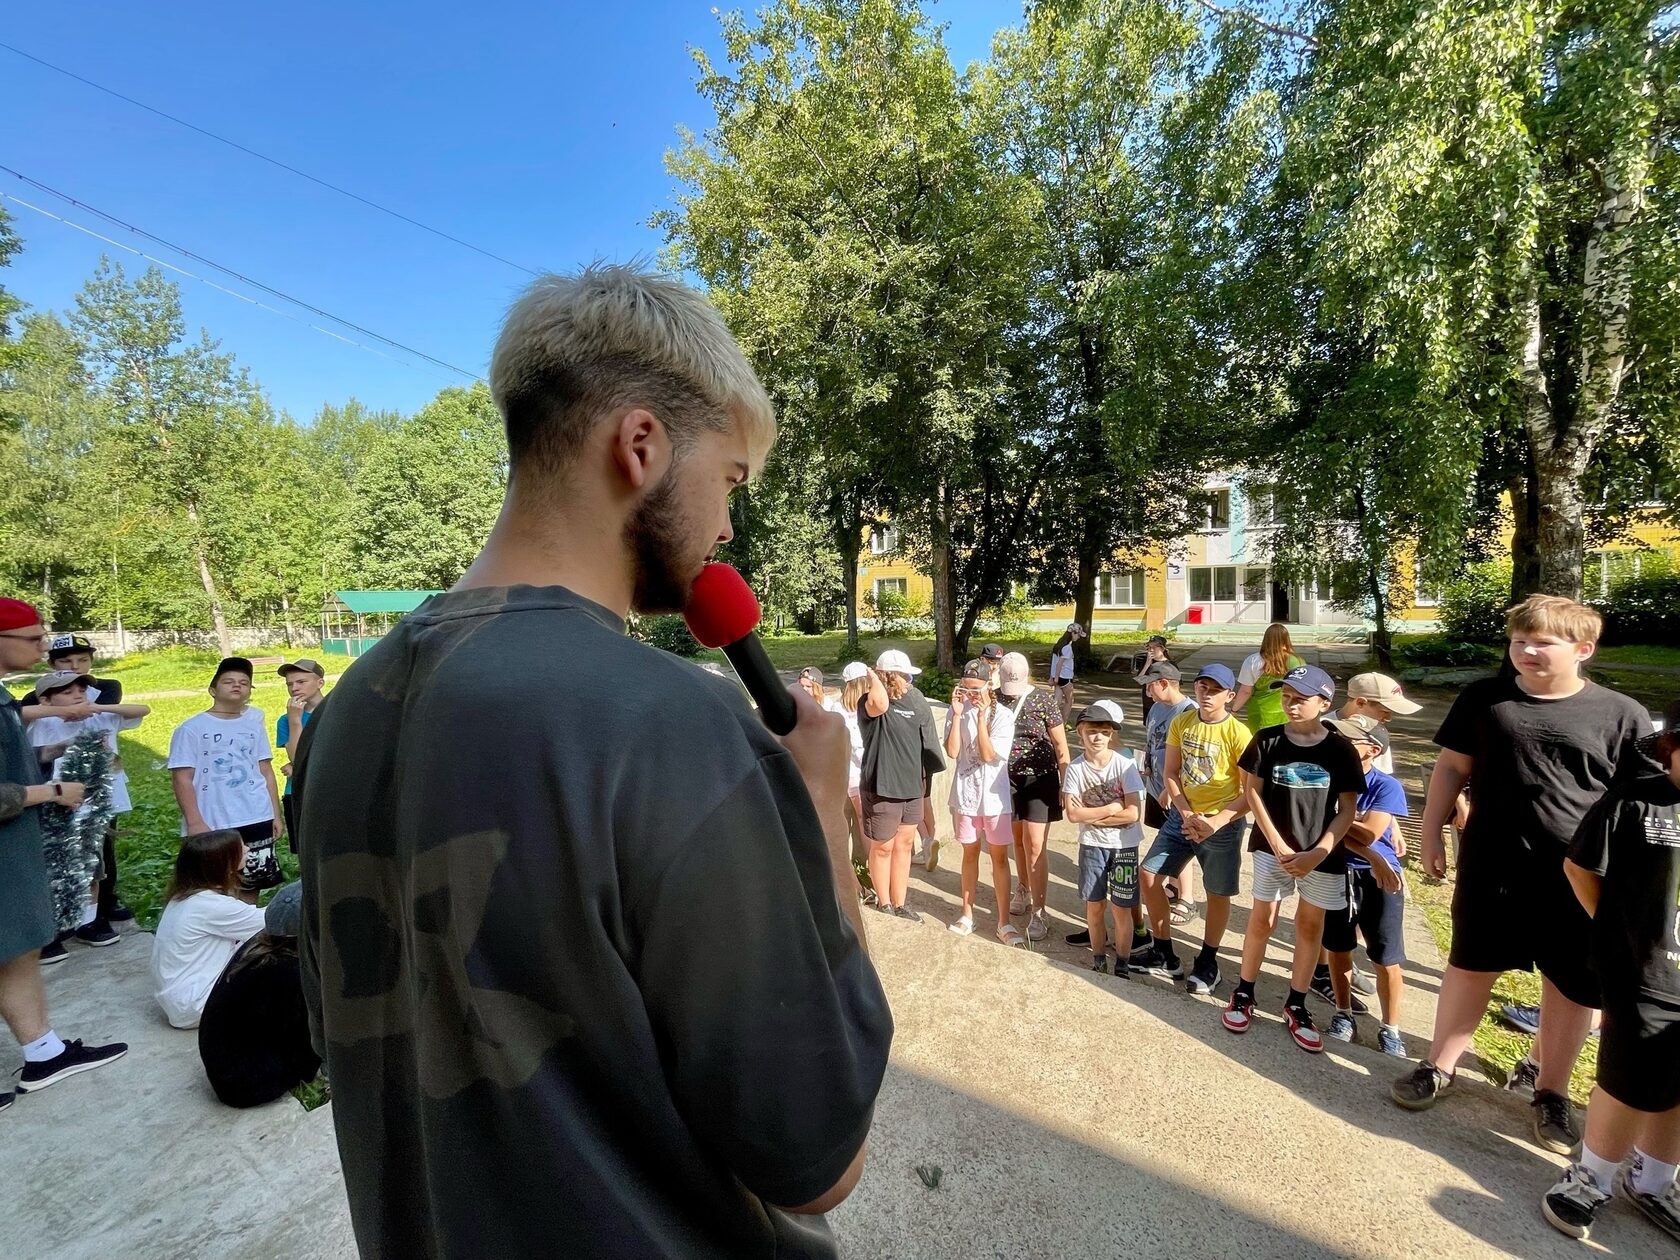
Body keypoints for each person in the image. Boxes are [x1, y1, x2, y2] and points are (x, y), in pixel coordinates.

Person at [294, 264, 891, 1258]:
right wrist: (822, 812)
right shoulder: (676, 730)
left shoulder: (342, 717)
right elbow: (820, 1158)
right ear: (642, 446)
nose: (728, 527)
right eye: (730, 480)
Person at [1392, 595, 1650, 1156]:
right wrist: (1431, 831)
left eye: (1543, 643)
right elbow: (1452, 768)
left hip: (1581, 879)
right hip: (1491, 865)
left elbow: (1641, 803)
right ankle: (1439, 1066)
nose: (1527, 652)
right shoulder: (1486, 699)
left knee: (1571, 986)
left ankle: (1550, 1093)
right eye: (1518, 641)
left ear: (1582, 649)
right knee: (1469, 966)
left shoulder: (1620, 715)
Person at [1540, 698, 1680, 1242]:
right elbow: (1579, 866)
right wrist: (1618, 931)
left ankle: (1655, 1180)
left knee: (1676, 1086)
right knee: (1627, 1080)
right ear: (1669, 751)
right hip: (1642, 973)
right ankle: (1590, 1177)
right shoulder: (1638, 802)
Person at [0, 598, 127, 1110]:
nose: (44, 647)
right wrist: (48, 793)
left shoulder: (5, 700)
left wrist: (47, 758)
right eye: (33, 638)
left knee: (18, 952)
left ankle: (44, 1053)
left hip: (15, 851)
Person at [1222, 665, 1363, 1053]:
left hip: (1322, 854)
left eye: (1300, 699)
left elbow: (1347, 809)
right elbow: (1253, 794)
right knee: (1262, 919)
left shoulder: (1340, 748)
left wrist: (1318, 852)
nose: (1291, 704)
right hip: (1273, 849)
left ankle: (1296, 1003)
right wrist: (1279, 845)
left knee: (1309, 926)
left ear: (1323, 703)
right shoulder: (1267, 740)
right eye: (1286, 697)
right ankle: (1244, 991)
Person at [1307, 669, 1422, 1005]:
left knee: (1356, 918)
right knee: (1320, 914)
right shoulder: (1328, 733)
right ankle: (1322, 970)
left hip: (1362, 826)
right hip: (1328, 846)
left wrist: (1391, 826)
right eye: (1384, 709)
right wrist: (1371, 848)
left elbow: (1381, 783)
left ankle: (1338, 962)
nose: (1388, 716)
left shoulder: (1374, 735)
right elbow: (1321, 811)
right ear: (1359, 703)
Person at [1137, 663, 1252, 993]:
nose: (1206, 694)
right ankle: (1163, 951)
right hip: (1183, 817)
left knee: (1217, 892)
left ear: (1230, 696)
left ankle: (1208, 960)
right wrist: (1185, 813)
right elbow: (1171, 772)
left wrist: (1214, 822)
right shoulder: (1182, 721)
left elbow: (1249, 792)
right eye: (1202, 687)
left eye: (1215, 690)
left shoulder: (1238, 735)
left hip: (1222, 824)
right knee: (1149, 876)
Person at [26, 669, 151, 954]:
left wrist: (96, 707)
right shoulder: (39, 724)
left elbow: (143, 709)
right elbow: (19, 715)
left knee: (92, 868)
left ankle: (86, 922)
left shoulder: (100, 716)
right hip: (51, 806)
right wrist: (52, 712)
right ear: (46, 699)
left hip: (91, 808)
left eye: (81, 691)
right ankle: (49, 931)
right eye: (67, 692)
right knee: (54, 869)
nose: (77, 696)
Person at [20, 633, 133, 922]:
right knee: (61, 847)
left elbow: (105, 709)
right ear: (51, 663)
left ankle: (105, 902)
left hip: (101, 782)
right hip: (57, 786)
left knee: (103, 843)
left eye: (83, 660)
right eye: (66, 661)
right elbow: (22, 716)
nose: (75, 666)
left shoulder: (105, 688)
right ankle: (64, 916)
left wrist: (75, 706)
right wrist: (63, 709)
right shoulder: (36, 697)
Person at [1320, 716, 1410, 1057]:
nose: (1338, 743)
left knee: (1386, 957)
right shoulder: (1325, 777)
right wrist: (1368, 849)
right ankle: (1343, 1014)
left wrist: (1344, 826)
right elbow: (1327, 827)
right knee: (1338, 947)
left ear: (1372, 750)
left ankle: (1391, 1029)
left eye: (1348, 739)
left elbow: (1370, 831)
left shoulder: (1386, 786)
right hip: (1337, 870)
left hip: (1380, 878)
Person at [167, 658, 284, 903]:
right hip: (214, 819)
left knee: (253, 882)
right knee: (214, 885)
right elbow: (182, 778)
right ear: (213, 689)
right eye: (228, 681)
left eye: (244, 683)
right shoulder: (191, 729)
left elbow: (265, 769)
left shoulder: (253, 726)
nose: (236, 686)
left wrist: (275, 813)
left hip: (256, 814)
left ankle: (245, 936)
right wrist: (194, 822)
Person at [198, 881, 322, 1108]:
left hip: (225, 1065)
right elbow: (302, 1041)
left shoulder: (260, 945)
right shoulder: (289, 972)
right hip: (247, 1085)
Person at [150, 829, 268, 1029]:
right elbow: (275, 919)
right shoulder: (210, 906)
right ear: (223, 864)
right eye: (240, 849)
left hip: (179, 1000)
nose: (248, 849)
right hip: (197, 1004)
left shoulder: (184, 897)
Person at [1063, 700, 1146, 976]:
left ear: (1111, 734)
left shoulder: (1125, 766)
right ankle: (1098, 959)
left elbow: (1133, 813)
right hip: (1092, 845)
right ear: (1080, 733)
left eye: (1104, 732)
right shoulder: (1075, 769)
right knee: (1094, 905)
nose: (1097, 737)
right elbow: (1073, 815)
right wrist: (1111, 808)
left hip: (1123, 846)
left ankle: (1122, 963)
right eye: (1091, 731)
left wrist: (1091, 815)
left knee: (1122, 908)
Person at [997, 651, 1069, 943]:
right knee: (1017, 840)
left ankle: (1040, 911)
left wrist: (1067, 783)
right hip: (1005, 780)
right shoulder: (994, 697)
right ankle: (1023, 887)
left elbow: (1061, 745)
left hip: (1040, 779)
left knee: (1035, 844)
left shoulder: (1042, 699)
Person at [858, 648, 934, 921]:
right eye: (903, 676)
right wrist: (874, 677)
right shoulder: (869, 701)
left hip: (912, 785)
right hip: (882, 785)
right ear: (890, 676)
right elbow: (881, 704)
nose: (908, 681)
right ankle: (884, 902)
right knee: (884, 846)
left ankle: (900, 903)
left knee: (903, 845)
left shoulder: (916, 700)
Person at [944, 660, 1017, 944]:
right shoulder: (957, 709)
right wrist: (959, 714)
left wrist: (980, 716)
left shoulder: (1003, 716)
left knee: (999, 857)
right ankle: (967, 914)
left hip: (995, 800)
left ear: (990, 686)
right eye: (966, 688)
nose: (971, 694)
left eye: (976, 689)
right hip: (965, 795)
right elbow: (952, 752)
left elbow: (988, 755)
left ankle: (1003, 922)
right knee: (969, 853)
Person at [1135, 659, 1200, 927]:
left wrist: (1174, 792)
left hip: (1178, 794)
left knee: (1180, 845)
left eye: (1150, 686)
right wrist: (1147, 766)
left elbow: (1193, 760)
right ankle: (1173, 886)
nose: (1147, 692)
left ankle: (1187, 898)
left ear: (1164, 683)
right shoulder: (1156, 709)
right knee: (1166, 838)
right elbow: (1151, 741)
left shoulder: (1189, 712)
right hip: (1156, 786)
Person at [275, 658, 326, 852]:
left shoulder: (336, 712)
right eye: (289, 684)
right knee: (305, 849)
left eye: (301, 682)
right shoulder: (285, 720)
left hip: (330, 790)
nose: (294, 687)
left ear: (319, 683)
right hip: (297, 792)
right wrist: (295, 720)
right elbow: (297, 757)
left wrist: (298, 765)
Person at [1232, 622, 1303, 733]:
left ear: (1266, 639)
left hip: (1260, 713)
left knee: (1260, 745)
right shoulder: (1297, 661)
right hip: (1288, 711)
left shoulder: (1253, 660)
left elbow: (1246, 691)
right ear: (1286, 639)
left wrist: (1234, 710)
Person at [838, 662, 871, 877]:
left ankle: (855, 868)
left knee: (851, 823)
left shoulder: (836, 708)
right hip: (863, 774)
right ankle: (869, 867)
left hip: (847, 774)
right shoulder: (868, 707)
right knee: (864, 821)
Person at [1049, 622, 1085, 723]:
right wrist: (1055, 678)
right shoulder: (1068, 647)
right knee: (1069, 701)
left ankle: (1051, 722)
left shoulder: (1059, 646)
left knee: (1057, 701)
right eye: (1078, 635)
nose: (1078, 637)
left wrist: (1052, 677)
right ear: (1073, 633)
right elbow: (1059, 663)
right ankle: (1063, 723)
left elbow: (1054, 662)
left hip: (1058, 677)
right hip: (1065, 677)